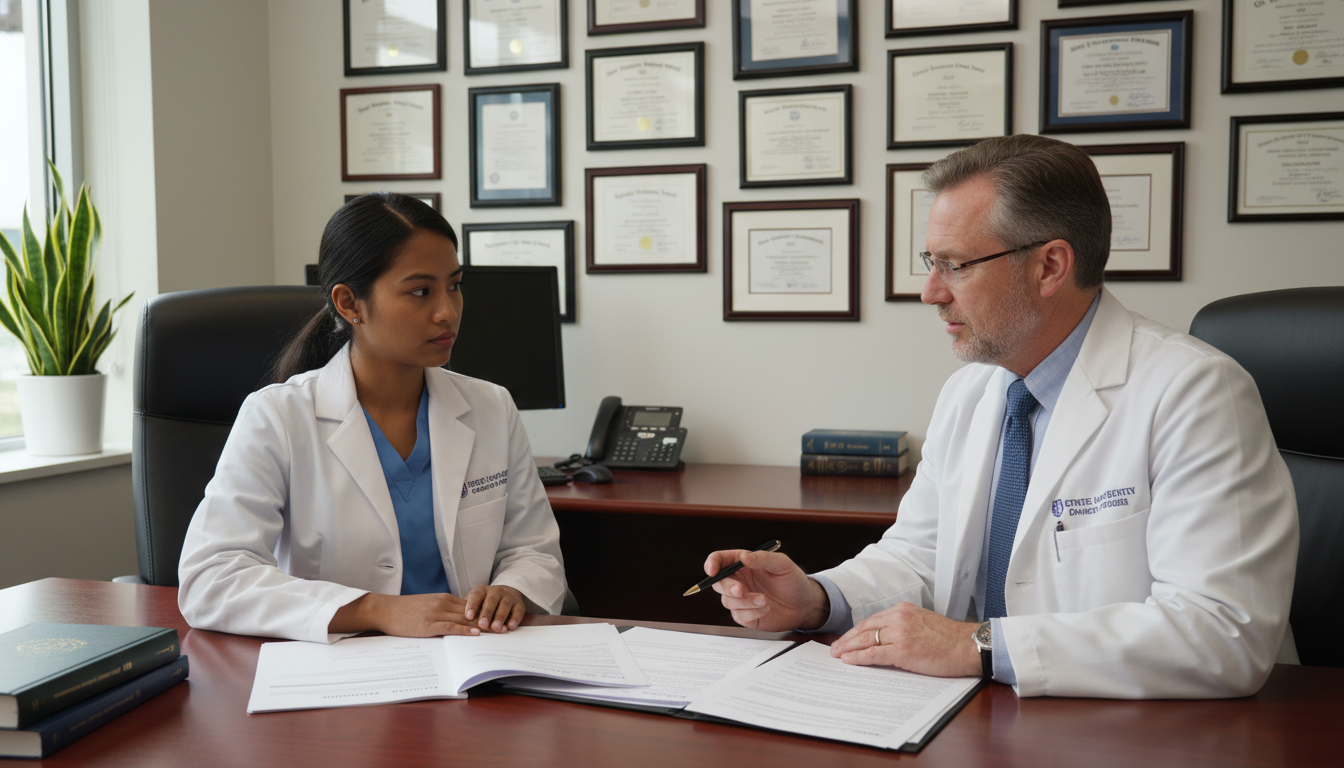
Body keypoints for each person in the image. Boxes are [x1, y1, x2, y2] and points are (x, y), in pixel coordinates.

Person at [703, 134, 1299, 699]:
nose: (931, 293)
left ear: (1049, 266)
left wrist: (979, 644)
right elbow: (919, 557)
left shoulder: (1194, 391)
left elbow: (1225, 634)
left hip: (1149, 734)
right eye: (930, 262)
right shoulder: (972, 392)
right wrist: (817, 599)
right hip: (984, 716)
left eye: (955, 265)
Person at [178, 193, 567, 643]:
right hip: (341, 674)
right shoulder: (278, 417)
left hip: (475, 661)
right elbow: (212, 578)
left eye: (454, 285)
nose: (448, 311)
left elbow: (534, 549)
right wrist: (376, 609)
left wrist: (513, 590)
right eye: (420, 291)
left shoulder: (492, 408)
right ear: (349, 304)